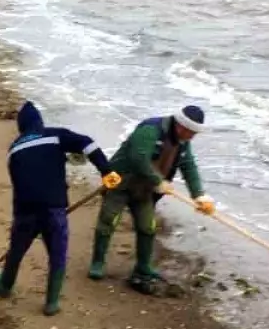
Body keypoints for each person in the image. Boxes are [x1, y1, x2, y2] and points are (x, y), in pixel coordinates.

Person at [0, 102, 121, 315]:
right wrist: (106, 171)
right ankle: (51, 302)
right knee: (57, 251)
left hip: (25, 208)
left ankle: (5, 284)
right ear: (40, 122)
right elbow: (87, 144)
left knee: (17, 248)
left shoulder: (13, 149)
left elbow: (22, 181)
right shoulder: (54, 136)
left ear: (21, 127)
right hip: (54, 206)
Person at [89, 105, 216, 294]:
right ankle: (97, 262)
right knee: (108, 220)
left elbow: (188, 165)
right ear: (182, 126)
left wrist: (199, 195)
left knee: (147, 227)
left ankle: (143, 266)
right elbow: (138, 158)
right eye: (192, 132)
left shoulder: (182, 142)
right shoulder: (150, 130)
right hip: (121, 182)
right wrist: (159, 180)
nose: (193, 137)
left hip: (145, 190)